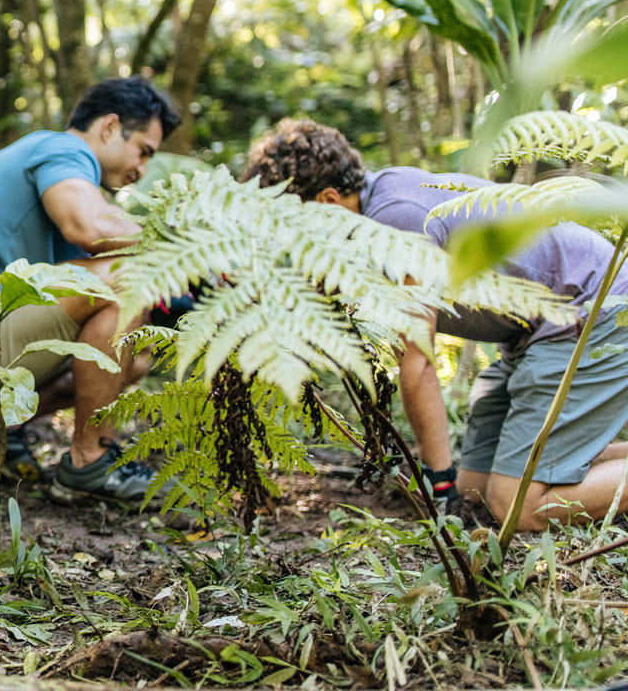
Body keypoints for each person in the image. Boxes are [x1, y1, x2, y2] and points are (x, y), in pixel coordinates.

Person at [241, 119, 628, 529]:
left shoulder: (396, 221)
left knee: (516, 504)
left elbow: (419, 362)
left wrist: (440, 486)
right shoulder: (380, 197)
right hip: (536, 335)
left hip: (594, 313)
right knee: (475, 488)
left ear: (330, 199)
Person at [0, 76, 177, 505]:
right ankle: (90, 461)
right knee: (123, 278)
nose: (142, 169)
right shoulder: (62, 150)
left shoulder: (71, 176)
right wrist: (183, 242)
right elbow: (89, 229)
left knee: (135, 358)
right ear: (109, 127)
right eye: (143, 149)